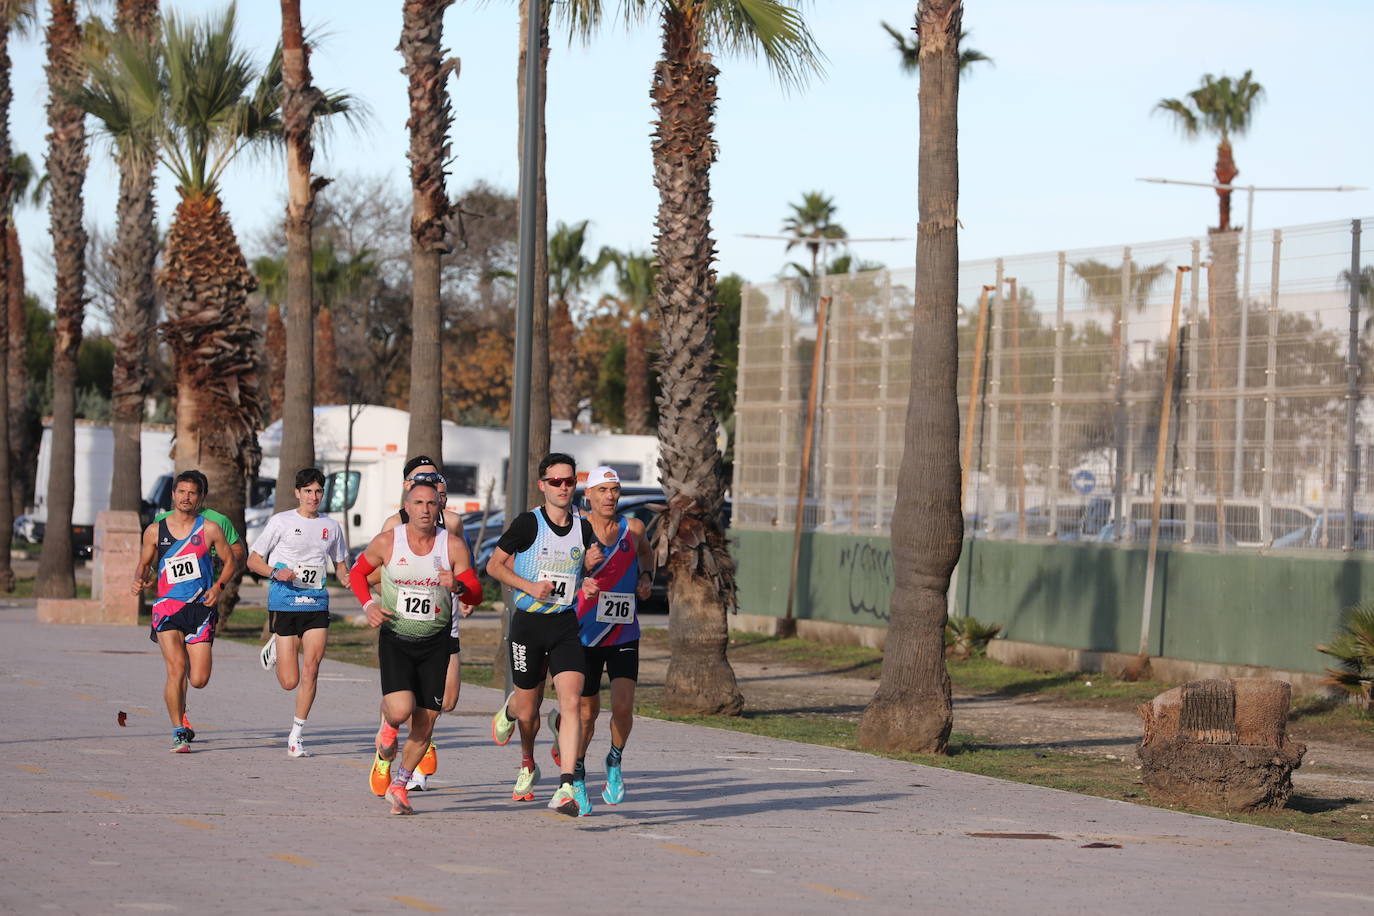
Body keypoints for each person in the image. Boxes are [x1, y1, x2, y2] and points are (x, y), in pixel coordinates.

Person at [348, 481, 481, 815]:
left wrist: (459, 585)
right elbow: (357, 573)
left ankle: (400, 785)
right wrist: (367, 606)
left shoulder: (451, 546)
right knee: (400, 709)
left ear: (440, 508)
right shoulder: (388, 542)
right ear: (406, 506)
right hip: (397, 639)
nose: (425, 509)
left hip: (436, 644)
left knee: (425, 724)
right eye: (418, 502)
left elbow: (476, 593)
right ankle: (388, 729)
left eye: (431, 503)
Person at [486, 453, 602, 817]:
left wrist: (588, 583)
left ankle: (566, 785)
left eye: (569, 482)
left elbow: (578, 572)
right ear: (543, 486)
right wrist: (528, 586)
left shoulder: (583, 527)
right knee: (527, 709)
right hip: (529, 624)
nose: (564, 488)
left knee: (572, 703)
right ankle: (526, 761)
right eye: (556, 482)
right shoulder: (528, 524)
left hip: (565, 624)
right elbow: (494, 565)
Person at [549, 466, 653, 809]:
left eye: (614, 490)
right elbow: (555, 571)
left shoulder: (633, 528)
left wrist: (646, 578)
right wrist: (582, 571)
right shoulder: (574, 530)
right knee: (587, 713)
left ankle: (614, 760)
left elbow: (646, 555)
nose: (610, 496)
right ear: (588, 495)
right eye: (603, 490)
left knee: (623, 707)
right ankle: (576, 773)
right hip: (583, 633)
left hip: (624, 631)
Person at [376, 458, 470, 789]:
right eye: (423, 488)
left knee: (447, 701)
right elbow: (376, 571)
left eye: (437, 492)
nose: (432, 500)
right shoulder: (393, 525)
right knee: (404, 705)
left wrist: (464, 592)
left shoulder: (454, 525)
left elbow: (464, 572)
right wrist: (386, 600)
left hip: (444, 625)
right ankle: (398, 753)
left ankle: (416, 741)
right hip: (402, 627)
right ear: (408, 491)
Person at [246, 468, 350, 758]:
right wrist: (275, 572)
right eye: (308, 491)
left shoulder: (332, 526)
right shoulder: (281, 521)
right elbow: (253, 560)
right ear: (297, 493)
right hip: (284, 602)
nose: (313, 497)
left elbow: (340, 563)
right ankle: (277, 647)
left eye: (318, 491)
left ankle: (296, 735)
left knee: (312, 668)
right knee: (289, 681)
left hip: (316, 602)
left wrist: (346, 577)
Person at [131, 470, 235, 753]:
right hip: (167, 608)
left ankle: (181, 698)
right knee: (176, 668)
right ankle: (179, 731)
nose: (186, 497)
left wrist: (219, 587)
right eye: (181, 492)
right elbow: (144, 563)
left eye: (192, 493)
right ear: (173, 494)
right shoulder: (155, 530)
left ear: (200, 497)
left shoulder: (209, 529)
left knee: (198, 679)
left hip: (201, 609)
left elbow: (230, 561)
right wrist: (141, 577)